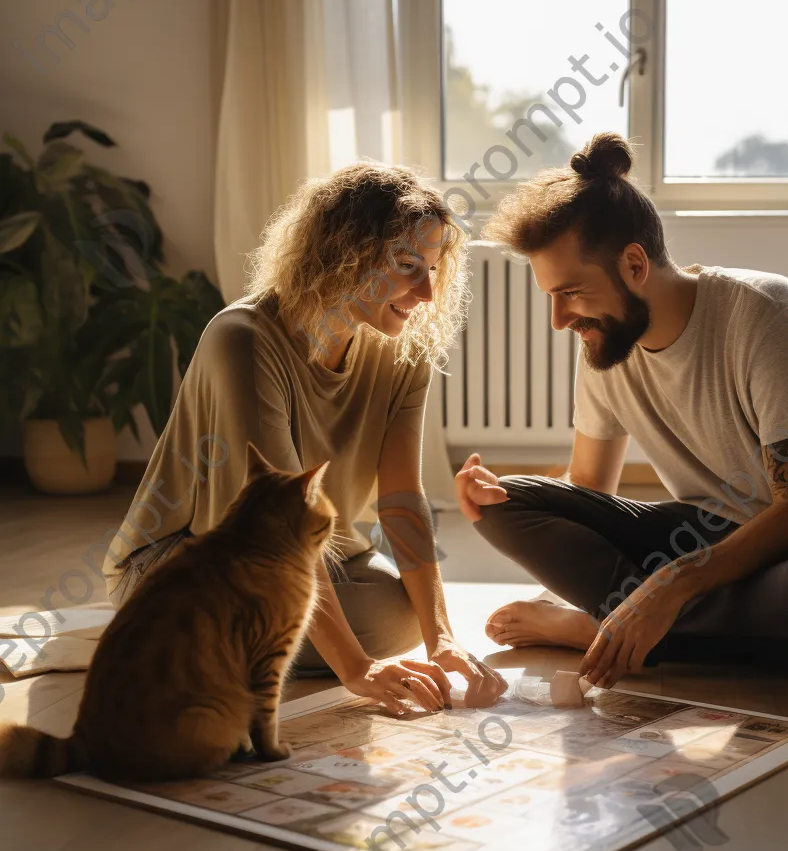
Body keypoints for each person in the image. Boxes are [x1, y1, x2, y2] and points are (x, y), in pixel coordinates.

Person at [456, 132, 788, 689]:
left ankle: (593, 628)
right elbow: (589, 485)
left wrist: (670, 587)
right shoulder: (604, 343)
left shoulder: (768, 314)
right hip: (704, 538)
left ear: (634, 264)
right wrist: (500, 498)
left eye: (571, 292)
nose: (559, 319)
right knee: (506, 502)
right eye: (551, 295)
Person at [102, 162, 507, 711]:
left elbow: (402, 498)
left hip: (305, 558)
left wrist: (443, 639)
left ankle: (244, 647)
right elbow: (280, 521)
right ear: (344, 254)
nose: (428, 292)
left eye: (434, 268)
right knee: (339, 628)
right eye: (409, 265)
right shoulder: (242, 339)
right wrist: (358, 670)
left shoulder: (401, 348)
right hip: (184, 560)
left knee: (406, 615)